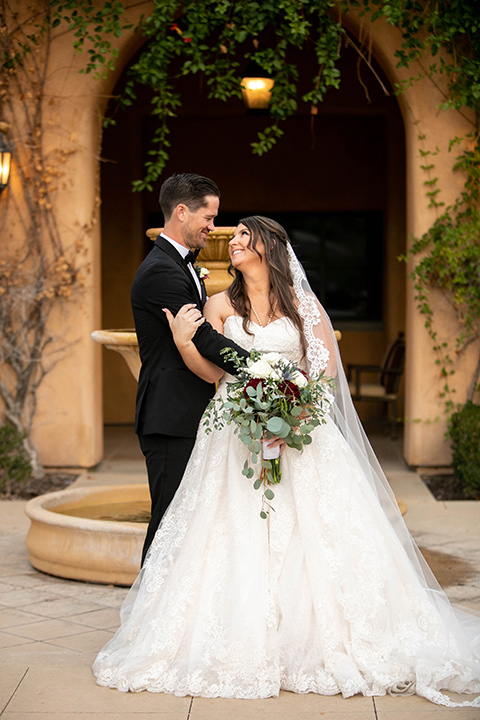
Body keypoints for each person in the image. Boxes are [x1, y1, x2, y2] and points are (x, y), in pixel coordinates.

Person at [94, 217, 480, 707]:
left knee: (313, 529)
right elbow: (212, 369)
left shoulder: (301, 304)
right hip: (232, 429)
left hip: (299, 428)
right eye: (228, 235)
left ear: (267, 247)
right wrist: (186, 342)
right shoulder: (218, 304)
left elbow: (324, 368)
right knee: (227, 528)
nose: (230, 241)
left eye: (240, 236)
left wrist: (290, 402)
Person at [130, 173, 249, 564]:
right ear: (181, 212)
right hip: (170, 415)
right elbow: (204, 338)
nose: (212, 228)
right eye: (209, 218)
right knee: (168, 521)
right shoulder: (162, 271)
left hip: (185, 412)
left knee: (186, 521)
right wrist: (256, 364)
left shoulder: (178, 265)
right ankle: (147, 621)